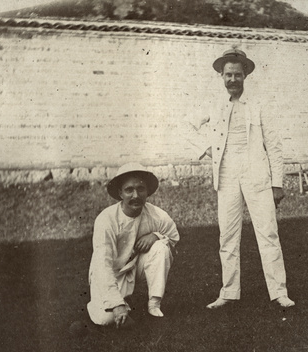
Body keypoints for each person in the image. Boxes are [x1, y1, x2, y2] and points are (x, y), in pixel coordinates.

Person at [184, 48, 294, 309]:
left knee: (268, 233)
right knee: (228, 235)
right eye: (228, 75)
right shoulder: (214, 105)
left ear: (245, 75)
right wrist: (206, 148)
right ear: (221, 76)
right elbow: (187, 126)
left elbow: (275, 146)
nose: (232, 80)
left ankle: (279, 292)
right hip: (226, 175)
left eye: (237, 74)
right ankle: (229, 292)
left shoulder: (259, 105)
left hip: (256, 174)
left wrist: (277, 182)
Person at [87, 163, 179, 328]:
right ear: (120, 193)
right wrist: (116, 304)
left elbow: (173, 236)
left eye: (140, 189)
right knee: (106, 319)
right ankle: (116, 301)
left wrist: (156, 236)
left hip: (135, 267)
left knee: (161, 248)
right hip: (110, 273)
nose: (135, 195)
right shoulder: (106, 220)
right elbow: (103, 265)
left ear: (147, 192)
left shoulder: (156, 215)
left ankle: (154, 304)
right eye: (129, 190)